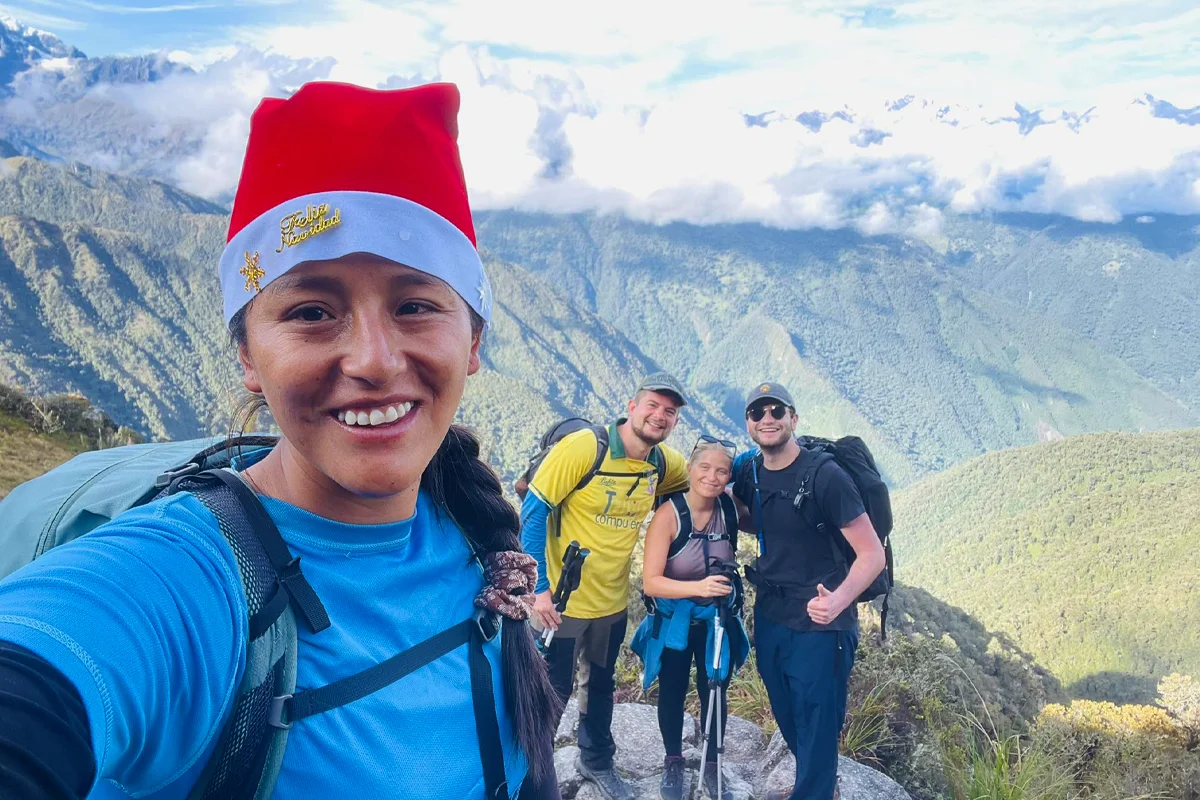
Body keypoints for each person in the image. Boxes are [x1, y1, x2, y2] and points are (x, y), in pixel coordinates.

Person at [0, 82, 560, 799]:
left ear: (473, 341)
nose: (374, 360)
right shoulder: (191, 580)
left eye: (416, 305)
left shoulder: (476, 542)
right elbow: (44, 670)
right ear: (248, 355)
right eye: (312, 312)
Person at [520, 373, 690, 800]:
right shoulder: (584, 449)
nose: (660, 416)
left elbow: (703, 484)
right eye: (652, 405)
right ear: (631, 407)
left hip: (612, 604)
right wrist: (539, 590)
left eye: (670, 411)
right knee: (550, 692)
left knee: (599, 683)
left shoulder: (663, 463)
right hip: (560, 602)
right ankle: (528, 774)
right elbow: (533, 512)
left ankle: (596, 760)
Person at [730, 383, 885, 800]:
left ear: (793, 419)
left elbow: (872, 554)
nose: (767, 419)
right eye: (758, 412)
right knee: (788, 714)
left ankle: (814, 788)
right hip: (772, 615)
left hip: (822, 624)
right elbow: (760, 519)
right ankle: (819, 783)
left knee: (816, 725)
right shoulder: (750, 472)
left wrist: (837, 601)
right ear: (748, 423)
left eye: (776, 411)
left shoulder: (826, 476)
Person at [639, 436, 744, 800]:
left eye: (722, 471)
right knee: (672, 689)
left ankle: (712, 763)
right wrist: (699, 587)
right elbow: (651, 582)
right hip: (675, 621)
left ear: (729, 477)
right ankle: (673, 759)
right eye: (705, 468)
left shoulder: (729, 510)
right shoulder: (669, 516)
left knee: (714, 689)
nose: (712, 477)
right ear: (689, 469)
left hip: (717, 619)